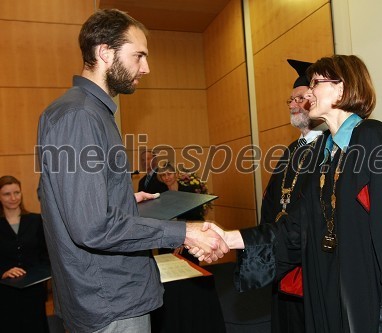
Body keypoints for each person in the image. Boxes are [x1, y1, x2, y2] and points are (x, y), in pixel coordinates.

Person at [199, 55, 382, 332]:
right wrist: (230, 238)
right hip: (335, 283)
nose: (309, 93)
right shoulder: (323, 152)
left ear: (341, 90)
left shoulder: (372, 137)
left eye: (316, 83)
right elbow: (298, 225)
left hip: (378, 296)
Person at [36, 9, 227, 333]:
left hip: (109, 295)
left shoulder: (87, 112)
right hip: (110, 300)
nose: (146, 67)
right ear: (105, 52)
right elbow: (91, 227)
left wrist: (122, 200)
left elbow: (71, 203)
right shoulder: (80, 117)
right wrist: (184, 232)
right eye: (138, 55)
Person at [231, 59, 327, 332]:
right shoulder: (291, 150)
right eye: (291, 99)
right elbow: (272, 202)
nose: (292, 104)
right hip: (284, 256)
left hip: (312, 261)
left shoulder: (332, 148)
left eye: (299, 98)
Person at [0, 175, 49, 333]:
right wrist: (3, 272)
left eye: (17, 192)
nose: (13, 198)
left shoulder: (36, 220)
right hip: (5, 294)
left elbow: (46, 255)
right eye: (7, 194)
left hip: (33, 292)